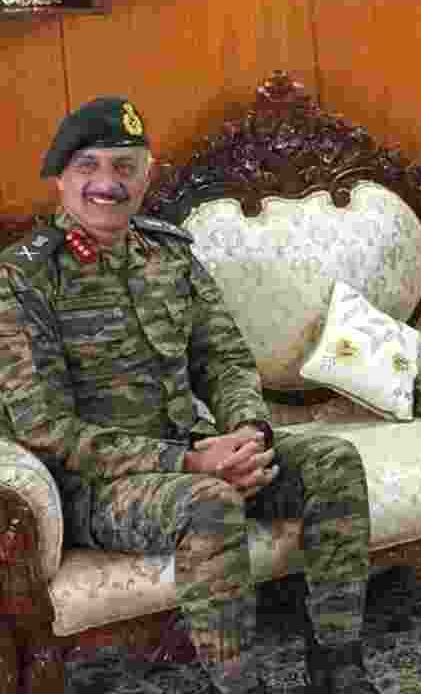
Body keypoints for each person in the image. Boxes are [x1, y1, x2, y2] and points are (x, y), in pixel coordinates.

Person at [0, 98, 379, 694]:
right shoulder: (23, 278)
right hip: (95, 487)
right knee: (208, 501)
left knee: (332, 462)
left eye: (124, 167)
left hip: (193, 453)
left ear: (147, 175)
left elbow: (223, 358)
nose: (107, 184)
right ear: (59, 178)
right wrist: (191, 462)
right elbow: (45, 429)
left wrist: (251, 435)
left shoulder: (169, 253)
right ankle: (236, 685)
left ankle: (338, 665)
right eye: (88, 167)